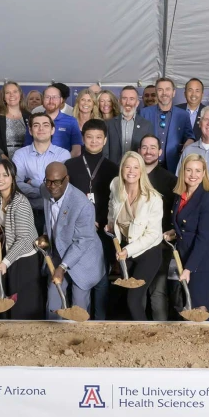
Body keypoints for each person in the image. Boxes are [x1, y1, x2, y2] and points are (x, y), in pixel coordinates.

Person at [65, 120, 119, 319]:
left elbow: (116, 202)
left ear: (105, 140)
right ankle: (81, 320)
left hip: (103, 231)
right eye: (89, 137)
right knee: (79, 278)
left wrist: (103, 222)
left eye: (98, 137)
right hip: (77, 233)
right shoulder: (69, 166)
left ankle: (101, 321)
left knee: (102, 279)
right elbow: (65, 202)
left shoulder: (114, 168)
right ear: (83, 138)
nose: (94, 141)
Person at [41, 162, 103, 319]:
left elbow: (83, 241)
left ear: (66, 179)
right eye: (48, 181)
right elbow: (50, 220)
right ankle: (54, 338)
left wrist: (62, 268)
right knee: (53, 302)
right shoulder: (45, 189)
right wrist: (45, 236)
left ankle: (79, 339)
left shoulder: (82, 204)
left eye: (56, 181)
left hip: (83, 259)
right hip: (59, 253)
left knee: (78, 308)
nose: (51, 186)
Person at [107, 151, 164, 320]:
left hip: (148, 252)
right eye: (127, 166)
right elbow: (112, 206)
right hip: (126, 250)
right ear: (122, 169)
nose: (131, 171)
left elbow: (153, 234)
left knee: (134, 298)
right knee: (130, 298)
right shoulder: (116, 185)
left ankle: (144, 336)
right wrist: (110, 224)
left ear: (141, 171)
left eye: (136, 167)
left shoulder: (153, 199)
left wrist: (128, 250)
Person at [166, 154, 209, 313]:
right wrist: (173, 232)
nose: (193, 175)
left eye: (198, 171)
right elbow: (185, 225)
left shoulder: (208, 199)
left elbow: (204, 237)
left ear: (204, 173)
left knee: (199, 307)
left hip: (202, 261)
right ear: (182, 172)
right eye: (189, 170)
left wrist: (189, 269)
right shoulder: (179, 196)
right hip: (185, 255)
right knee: (188, 306)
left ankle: (205, 338)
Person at [0, 158, 41, 320]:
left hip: (24, 260)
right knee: (11, 305)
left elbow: (24, 239)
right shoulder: (0, 198)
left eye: (5, 175)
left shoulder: (20, 202)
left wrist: (5, 262)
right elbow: (9, 225)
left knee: (23, 307)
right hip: (12, 257)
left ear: (12, 178)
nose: (0, 179)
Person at [13, 113, 71, 233]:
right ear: (30, 130)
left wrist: (32, 182)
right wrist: (44, 190)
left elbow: (61, 186)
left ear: (52, 130)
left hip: (56, 214)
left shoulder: (63, 154)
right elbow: (16, 183)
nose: (41, 129)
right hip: (27, 213)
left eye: (45, 125)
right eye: (36, 125)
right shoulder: (20, 154)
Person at [139, 135, 177, 319]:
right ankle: (138, 331)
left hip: (160, 243)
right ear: (139, 151)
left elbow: (176, 211)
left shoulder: (170, 179)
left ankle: (160, 333)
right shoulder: (131, 174)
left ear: (160, 152)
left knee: (158, 291)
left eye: (153, 148)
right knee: (137, 291)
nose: (148, 151)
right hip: (135, 244)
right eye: (145, 147)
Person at [140, 77, 194, 172]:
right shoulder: (144, 113)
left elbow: (190, 136)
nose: (164, 93)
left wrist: (189, 141)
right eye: (160, 90)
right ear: (156, 93)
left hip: (173, 166)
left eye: (167, 89)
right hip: (147, 166)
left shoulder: (183, 115)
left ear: (173, 93)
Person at [24, 85, 81, 156]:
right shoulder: (33, 120)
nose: (51, 101)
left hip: (64, 166)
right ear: (43, 100)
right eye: (47, 97)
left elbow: (76, 151)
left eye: (55, 97)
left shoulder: (71, 121)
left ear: (61, 100)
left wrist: (61, 165)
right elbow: (27, 148)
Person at [0, 80, 32, 158]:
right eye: (7, 93)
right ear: (3, 97)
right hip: (4, 162)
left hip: (27, 161)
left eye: (15, 92)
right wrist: (6, 161)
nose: (11, 95)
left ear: (20, 95)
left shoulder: (30, 117)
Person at [105, 86, 151, 163]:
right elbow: (105, 153)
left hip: (137, 171)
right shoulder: (109, 124)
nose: (128, 103)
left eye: (132, 99)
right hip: (113, 170)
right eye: (124, 98)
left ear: (137, 103)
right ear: (119, 101)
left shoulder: (146, 125)